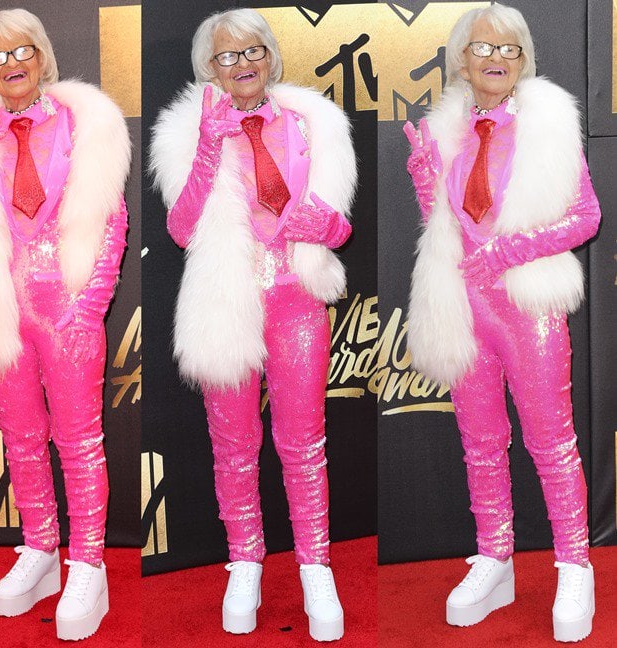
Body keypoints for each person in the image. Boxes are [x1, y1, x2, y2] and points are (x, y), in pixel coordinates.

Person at [149, 8, 356, 642]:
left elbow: (340, 224)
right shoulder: (187, 133)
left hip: (296, 298)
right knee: (233, 445)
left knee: (303, 443)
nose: (241, 66)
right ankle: (245, 562)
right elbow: (182, 229)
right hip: (224, 303)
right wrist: (211, 147)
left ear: (270, 56)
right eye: (226, 57)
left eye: (252, 53)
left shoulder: (310, 123)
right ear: (208, 69)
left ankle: (316, 565)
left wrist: (322, 225)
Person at [404, 3, 600, 643]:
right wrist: (424, 174)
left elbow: (585, 217)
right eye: (484, 47)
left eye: (510, 49)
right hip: (463, 306)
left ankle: (574, 564)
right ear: (462, 60)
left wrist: (510, 250)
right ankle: (494, 557)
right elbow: (444, 223)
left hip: (527, 304)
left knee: (551, 441)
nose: (496, 58)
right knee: (480, 441)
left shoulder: (550, 125)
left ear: (524, 60)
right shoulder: (446, 130)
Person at [0, 8, 130, 641]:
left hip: (66, 305)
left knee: (79, 440)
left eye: (19, 50)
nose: (9, 64)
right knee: (21, 437)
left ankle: (88, 563)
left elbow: (112, 218)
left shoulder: (85, 123)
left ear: (41, 55)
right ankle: (40, 548)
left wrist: (90, 304)